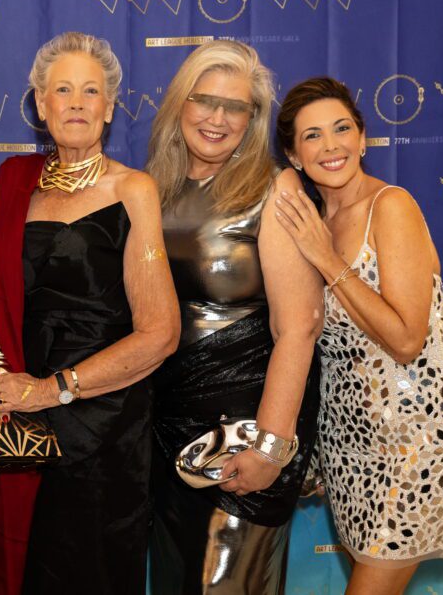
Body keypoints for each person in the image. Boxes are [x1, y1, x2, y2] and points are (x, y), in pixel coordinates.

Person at [0, 31, 180, 595]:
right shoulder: (17, 185)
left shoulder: (133, 189)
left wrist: (55, 389)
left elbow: (161, 334)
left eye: (91, 92)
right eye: (61, 90)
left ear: (110, 109)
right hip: (22, 418)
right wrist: (8, 382)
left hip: (104, 421)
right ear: (40, 104)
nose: (76, 103)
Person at [273, 76, 443, 594]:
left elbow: (408, 339)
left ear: (363, 139)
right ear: (294, 157)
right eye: (312, 136)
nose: (332, 145)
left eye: (342, 129)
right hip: (350, 440)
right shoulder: (312, 218)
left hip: (418, 434)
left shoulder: (391, 206)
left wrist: (325, 257)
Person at [144, 40, 324, 594]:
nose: (218, 119)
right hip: (169, 431)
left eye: (237, 107)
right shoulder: (154, 187)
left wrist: (271, 447)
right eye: (206, 101)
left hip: (244, 435)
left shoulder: (276, 189)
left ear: (253, 120)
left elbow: (299, 327)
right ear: (180, 104)